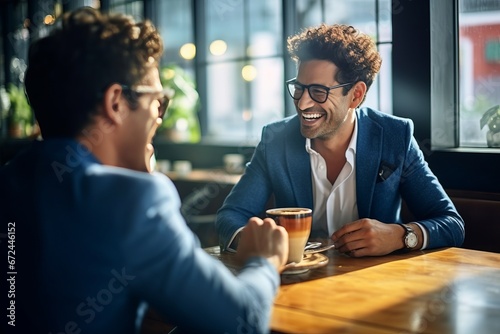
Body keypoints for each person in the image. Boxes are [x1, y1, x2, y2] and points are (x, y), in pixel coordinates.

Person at [0, 7, 288, 334]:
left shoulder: (11, 180)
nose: (159, 116)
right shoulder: (133, 200)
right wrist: (264, 261)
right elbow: (242, 321)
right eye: (158, 100)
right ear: (116, 103)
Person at [216, 24, 465, 257]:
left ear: (355, 95)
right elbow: (232, 216)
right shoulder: (275, 140)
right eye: (299, 88)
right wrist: (251, 242)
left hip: (377, 285)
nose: (302, 103)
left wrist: (401, 236)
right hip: (298, 282)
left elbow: (452, 224)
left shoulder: (395, 137)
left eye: (318, 91)